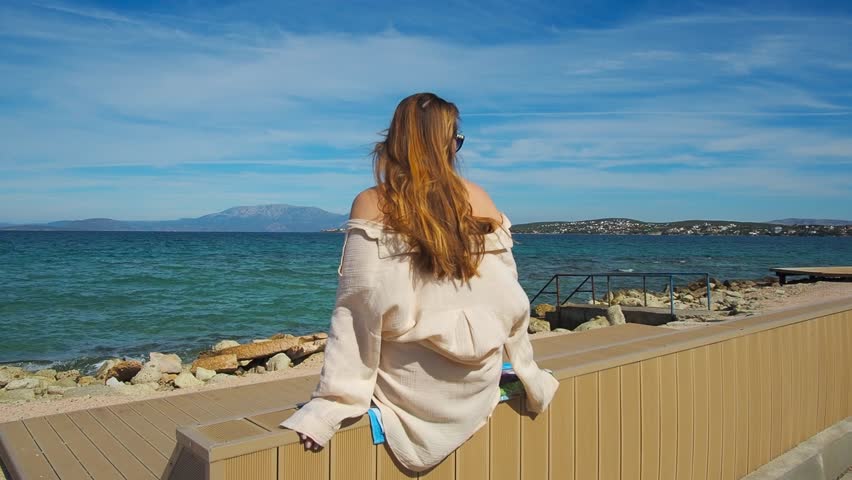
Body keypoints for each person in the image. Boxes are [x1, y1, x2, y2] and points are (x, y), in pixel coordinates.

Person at [280, 92, 559, 472]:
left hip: (415, 392)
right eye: (456, 140)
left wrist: (331, 405)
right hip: (477, 384)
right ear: (446, 144)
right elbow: (508, 297)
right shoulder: (479, 198)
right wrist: (527, 370)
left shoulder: (374, 203)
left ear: (395, 142)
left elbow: (358, 312)